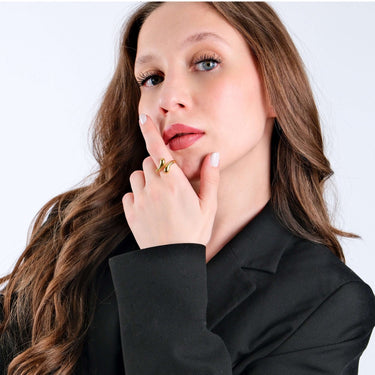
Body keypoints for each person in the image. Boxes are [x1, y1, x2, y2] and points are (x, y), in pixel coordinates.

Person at [1, 2, 374, 374]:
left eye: (206, 62)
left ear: (276, 87)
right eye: (152, 78)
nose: (167, 99)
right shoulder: (75, 232)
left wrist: (169, 259)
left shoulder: (328, 304)